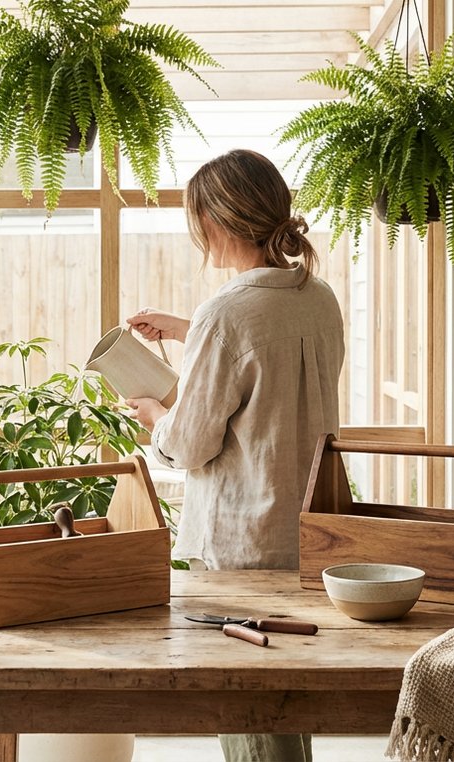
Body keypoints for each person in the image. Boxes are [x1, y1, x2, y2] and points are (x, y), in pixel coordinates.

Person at [124, 149, 344, 762]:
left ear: (222, 221)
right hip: (310, 527)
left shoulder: (227, 313)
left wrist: (154, 416)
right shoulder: (318, 298)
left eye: (200, 220)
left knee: (249, 712)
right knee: (284, 701)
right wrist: (189, 330)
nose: (198, 235)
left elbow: (189, 445)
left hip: (241, 540)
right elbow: (273, 372)